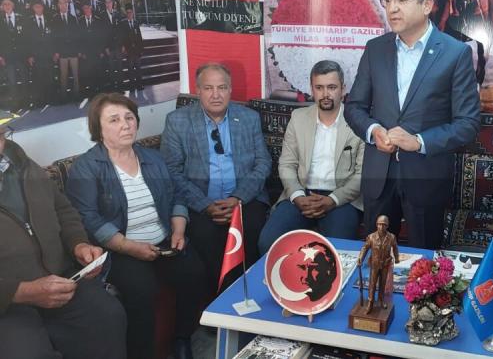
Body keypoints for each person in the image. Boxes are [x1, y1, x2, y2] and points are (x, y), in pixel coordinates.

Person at [344, 0, 480, 249]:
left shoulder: (455, 54)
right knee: (376, 257)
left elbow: (467, 124)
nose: (392, 8)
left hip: (426, 178)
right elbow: (354, 107)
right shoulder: (375, 49)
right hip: (378, 175)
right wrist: (373, 131)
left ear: (427, 4)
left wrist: (418, 142)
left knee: (423, 263)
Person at [66, 93, 207, 359]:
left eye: (129, 118)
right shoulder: (86, 167)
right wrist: (130, 247)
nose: (125, 125)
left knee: (194, 272)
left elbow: (177, 195)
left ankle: (182, 339)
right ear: (98, 128)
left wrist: (178, 230)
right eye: (114, 120)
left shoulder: (153, 158)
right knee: (141, 289)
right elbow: (88, 218)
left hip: (163, 240)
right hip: (119, 249)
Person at [0, 114, 126, 359]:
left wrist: (78, 244)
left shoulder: (21, 162)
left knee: (108, 316)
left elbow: (63, 210)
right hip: (9, 302)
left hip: (58, 278)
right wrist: (21, 291)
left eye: (1, 135)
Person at [161, 62, 271, 292]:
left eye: (222, 87)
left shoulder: (249, 118)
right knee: (206, 236)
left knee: (251, 229)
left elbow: (263, 163)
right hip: (199, 201)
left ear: (230, 90)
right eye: (208, 88)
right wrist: (205, 205)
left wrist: (237, 199)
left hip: (245, 199)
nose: (216, 95)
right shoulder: (177, 121)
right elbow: (172, 171)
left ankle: (249, 296)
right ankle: (218, 304)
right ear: (198, 90)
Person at [257, 61, 365, 255]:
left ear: (343, 89)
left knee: (339, 252)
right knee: (268, 243)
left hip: (341, 198)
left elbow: (362, 174)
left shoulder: (358, 123)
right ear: (312, 89)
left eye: (332, 87)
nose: (325, 94)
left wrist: (332, 200)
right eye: (319, 87)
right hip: (301, 194)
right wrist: (298, 196)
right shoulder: (298, 118)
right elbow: (286, 164)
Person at [357, 215, 399, 314]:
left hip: (385, 264)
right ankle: (370, 302)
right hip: (374, 265)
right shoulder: (371, 237)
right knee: (372, 284)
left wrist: (397, 258)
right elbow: (365, 248)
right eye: (379, 224)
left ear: (387, 226)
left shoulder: (391, 237)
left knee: (382, 283)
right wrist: (360, 258)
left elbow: (395, 248)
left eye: (384, 225)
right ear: (376, 225)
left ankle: (381, 300)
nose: (381, 227)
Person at [23, 0, 57, 107]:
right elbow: (26, 40)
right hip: (36, 55)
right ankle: (40, 101)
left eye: (40, 6)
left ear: (43, 7)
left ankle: (50, 98)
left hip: (48, 54)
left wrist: (55, 52)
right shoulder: (28, 21)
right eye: (36, 7)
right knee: (38, 78)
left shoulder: (49, 19)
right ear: (33, 8)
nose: (38, 9)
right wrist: (29, 55)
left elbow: (54, 37)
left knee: (49, 77)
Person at [51, 0, 80, 101]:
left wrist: (78, 50)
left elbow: (77, 36)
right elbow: (54, 37)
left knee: (76, 75)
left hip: (73, 52)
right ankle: (64, 97)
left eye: (65, 3)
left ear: (67, 5)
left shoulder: (73, 18)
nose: (63, 5)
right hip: (62, 52)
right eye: (61, 3)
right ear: (58, 5)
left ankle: (77, 95)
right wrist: (56, 52)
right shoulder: (55, 19)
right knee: (63, 76)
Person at [119, 3, 144, 90]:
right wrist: (123, 47)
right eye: (128, 12)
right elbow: (121, 37)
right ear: (126, 13)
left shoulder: (136, 22)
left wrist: (141, 49)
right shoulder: (123, 23)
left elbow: (139, 36)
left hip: (136, 50)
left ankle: (139, 85)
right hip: (128, 50)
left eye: (130, 12)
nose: (129, 14)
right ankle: (132, 86)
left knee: (138, 68)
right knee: (130, 69)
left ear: (133, 13)